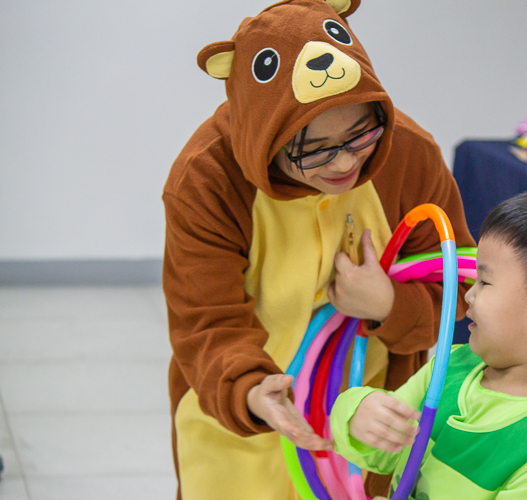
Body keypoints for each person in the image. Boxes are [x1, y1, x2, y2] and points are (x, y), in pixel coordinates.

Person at [162, 1, 474, 499]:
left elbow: (458, 283)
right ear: (267, 138)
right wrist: (250, 390)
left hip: (367, 421)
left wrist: (388, 304)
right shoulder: (206, 179)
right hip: (243, 424)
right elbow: (206, 322)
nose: (345, 162)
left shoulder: (409, 155)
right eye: (314, 149)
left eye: (360, 135)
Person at [331, 188, 527, 499]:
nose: (470, 294)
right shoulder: (452, 369)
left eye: (485, 282)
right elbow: (382, 454)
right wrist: (357, 414)